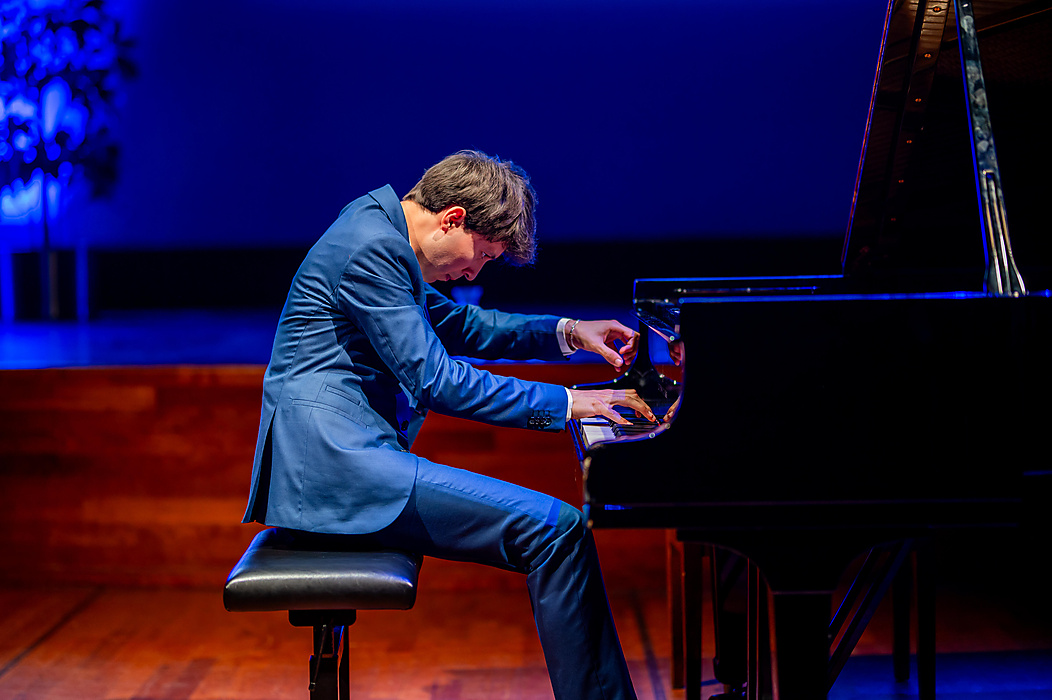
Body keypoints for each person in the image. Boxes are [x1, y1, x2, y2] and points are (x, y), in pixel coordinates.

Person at [241, 150, 656, 700]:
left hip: (345, 462)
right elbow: (438, 381)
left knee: (558, 529)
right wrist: (568, 404)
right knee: (556, 530)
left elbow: (463, 324)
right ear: (452, 218)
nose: (473, 272)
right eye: (480, 255)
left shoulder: (380, 230)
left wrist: (571, 332)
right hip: (335, 472)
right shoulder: (373, 248)